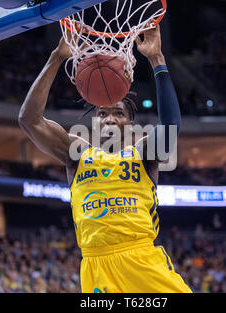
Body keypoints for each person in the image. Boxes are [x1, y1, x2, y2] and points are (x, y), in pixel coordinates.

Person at [19, 24, 191, 293]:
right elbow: (29, 120)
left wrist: (157, 59)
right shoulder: (76, 153)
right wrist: (57, 57)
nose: (109, 118)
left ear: (131, 125)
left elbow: (171, 124)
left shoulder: (144, 153)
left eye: (118, 113)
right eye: (102, 114)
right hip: (95, 265)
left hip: (141, 260)